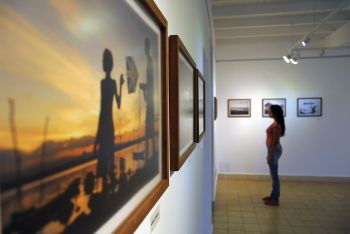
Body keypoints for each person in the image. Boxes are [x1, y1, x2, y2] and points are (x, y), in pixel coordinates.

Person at [263, 105, 285, 206]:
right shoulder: (275, 123)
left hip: (274, 150)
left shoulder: (276, 126)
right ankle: (273, 196)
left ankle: (275, 199)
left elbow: (275, 142)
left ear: (275, 113)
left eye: (270, 111)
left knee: (274, 176)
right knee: (273, 175)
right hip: (273, 150)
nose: (268, 112)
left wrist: (270, 155)